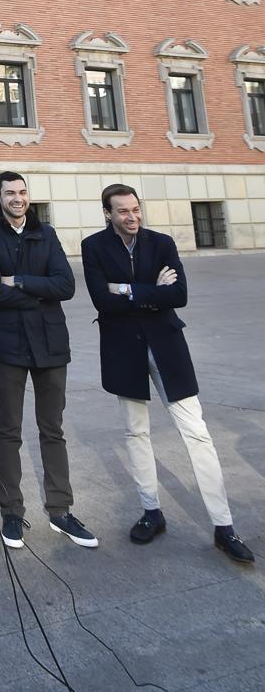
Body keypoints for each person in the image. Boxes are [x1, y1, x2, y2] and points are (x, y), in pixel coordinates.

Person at [81, 184, 254, 564]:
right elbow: (100, 299)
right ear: (107, 213)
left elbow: (179, 295)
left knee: (197, 432)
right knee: (136, 431)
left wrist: (126, 290)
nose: (132, 217)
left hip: (167, 348)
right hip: (123, 350)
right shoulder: (94, 246)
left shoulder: (161, 243)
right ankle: (151, 512)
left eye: (135, 209)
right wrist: (148, 291)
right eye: (122, 211)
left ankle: (224, 526)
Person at [0, 171, 97, 552]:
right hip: (8, 345)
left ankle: (60, 510)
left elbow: (66, 286)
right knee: (8, 429)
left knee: (52, 428)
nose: (17, 198)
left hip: (49, 344)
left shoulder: (46, 233)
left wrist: (21, 281)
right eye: (10, 192)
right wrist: (39, 290)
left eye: (22, 191)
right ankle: (12, 510)